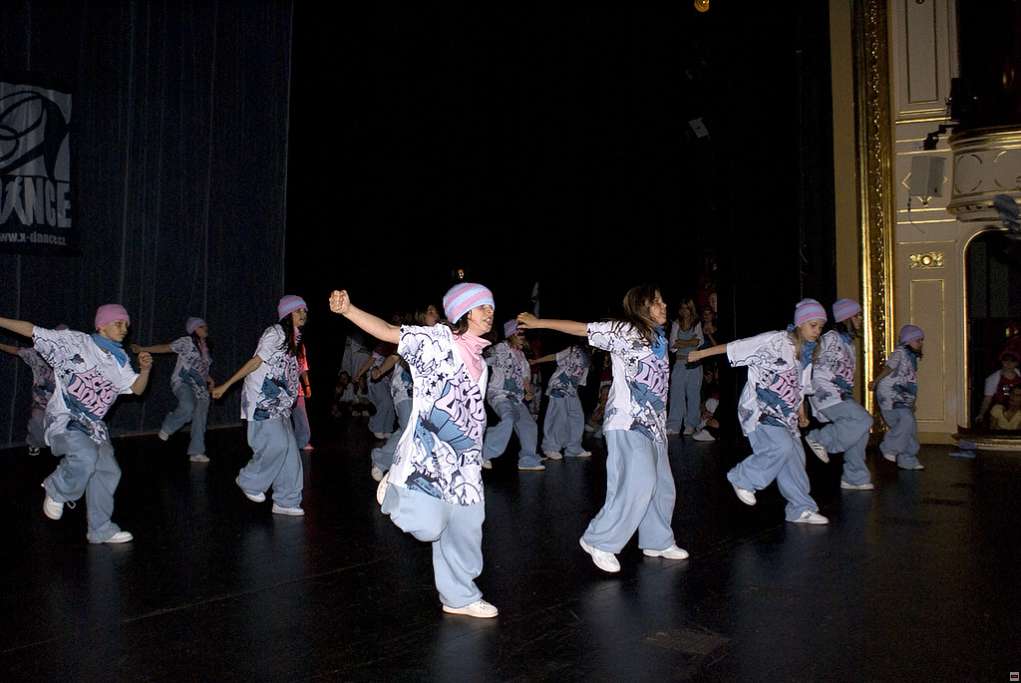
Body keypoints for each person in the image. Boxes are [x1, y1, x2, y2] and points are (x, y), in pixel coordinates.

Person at [330, 283, 500, 619]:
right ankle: (395, 487)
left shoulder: (481, 360)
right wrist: (348, 310)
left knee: (466, 530)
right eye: (482, 306)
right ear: (463, 312)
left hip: (465, 460)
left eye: (491, 307)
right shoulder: (435, 341)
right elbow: (388, 331)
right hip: (430, 454)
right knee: (428, 526)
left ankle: (460, 597)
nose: (489, 312)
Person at [517, 284, 689, 574]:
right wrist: (538, 322)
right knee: (639, 481)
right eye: (657, 301)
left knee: (662, 486)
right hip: (627, 422)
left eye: (663, 301)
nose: (664, 306)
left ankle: (657, 540)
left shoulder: (659, 338)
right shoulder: (624, 331)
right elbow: (581, 328)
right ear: (641, 306)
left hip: (655, 425)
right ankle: (600, 540)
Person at [0, 306, 152, 543]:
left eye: (126, 324)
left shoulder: (119, 359)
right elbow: (31, 330)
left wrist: (145, 370)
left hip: (94, 427)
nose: (124, 329)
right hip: (66, 419)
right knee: (85, 455)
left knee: (108, 471)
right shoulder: (73, 342)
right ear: (101, 325)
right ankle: (57, 489)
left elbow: (136, 389)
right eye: (118, 323)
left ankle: (100, 530)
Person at [689, 299, 830, 525]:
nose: (817, 331)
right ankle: (742, 478)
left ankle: (800, 508)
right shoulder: (775, 340)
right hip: (760, 410)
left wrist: (802, 414)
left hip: (786, 416)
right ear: (799, 324)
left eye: (820, 327)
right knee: (780, 446)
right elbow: (737, 346)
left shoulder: (805, 355)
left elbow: (799, 389)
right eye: (813, 325)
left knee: (795, 459)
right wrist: (701, 354)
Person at [212, 296, 307, 516]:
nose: (303, 314)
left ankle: (286, 501)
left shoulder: (295, 339)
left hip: (281, 405)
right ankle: (249, 481)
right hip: (262, 399)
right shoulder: (275, 333)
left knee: (290, 454)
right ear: (287, 314)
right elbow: (256, 362)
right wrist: (226, 385)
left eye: (304, 310)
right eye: (297, 310)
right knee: (276, 445)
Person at [803, 299, 875, 491]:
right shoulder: (831, 338)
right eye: (857, 316)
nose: (860, 320)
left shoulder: (848, 344)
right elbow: (812, 360)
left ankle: (855, 477)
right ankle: (820, 438)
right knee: (864, 419)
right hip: (826, 391)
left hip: (840, 393)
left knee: (859, 432)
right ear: (846, 318)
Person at [132, 317, 214, 463]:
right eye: (202, 326)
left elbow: (202, 370)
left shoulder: (205, 349)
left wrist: (210, 380)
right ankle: (168, 426)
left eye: (205, 326)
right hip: (183, 381)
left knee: (200, 418)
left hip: (200, 387)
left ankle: (196, 452)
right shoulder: (186, 342)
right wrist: (143, 349)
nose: (205, 329)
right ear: (194, 329)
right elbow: (165, 348)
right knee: (188, 407)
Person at [869, 324, 925, 471]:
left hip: (902, 396)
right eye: (918, 340)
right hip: (890, 393)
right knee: (906, 421)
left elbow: (910, 383)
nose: (921, 343)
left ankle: (907, 459)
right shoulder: (900, 353)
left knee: (909, 426)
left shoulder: (911, 358)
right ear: (908, 341)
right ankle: (889, 447)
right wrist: (876, 381)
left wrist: (912, 402)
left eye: (921, 340)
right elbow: (889, 368)